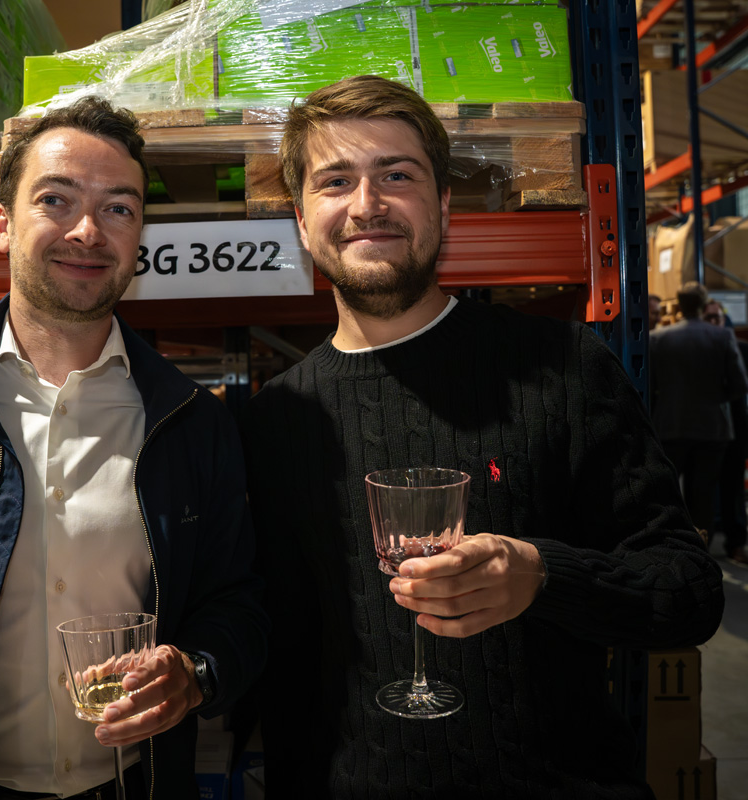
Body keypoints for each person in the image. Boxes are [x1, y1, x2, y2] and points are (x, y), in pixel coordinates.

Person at [240, 75, 725, 799]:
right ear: (302, 223)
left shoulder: (563, 367)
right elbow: (274, 658)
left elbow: (689, 591)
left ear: (442, 206)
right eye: (335, 181)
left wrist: (544, 574)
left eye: (396, 175)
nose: (367, 204)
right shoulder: (273, 420)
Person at [0, 97, 267, 800]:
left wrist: (195, 672)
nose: (88, 231)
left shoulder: (192, 420)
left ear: (139, 235)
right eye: (55, 200)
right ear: (2, 224)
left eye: (118, 208)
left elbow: (236, 600)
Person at [649, 282, 748, 537]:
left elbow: (650, 384)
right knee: (703, 495)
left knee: (668, 492)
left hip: (671, 425)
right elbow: (740, 384)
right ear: (704, 306)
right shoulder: (722, 337)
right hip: (712, 427)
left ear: (679, 306)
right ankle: (702, 547)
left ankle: (670, 543)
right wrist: (716, 399)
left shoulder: (658, 338)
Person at [704, 297, 748, 564]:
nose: (714, 323)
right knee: (703, 489)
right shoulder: (696, 349)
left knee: (733, 488)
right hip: (705, 429)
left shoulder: (741, 349)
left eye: (717, 318)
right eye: (708, 318)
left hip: (735, 429)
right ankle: (703, 544)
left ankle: (736, 542)